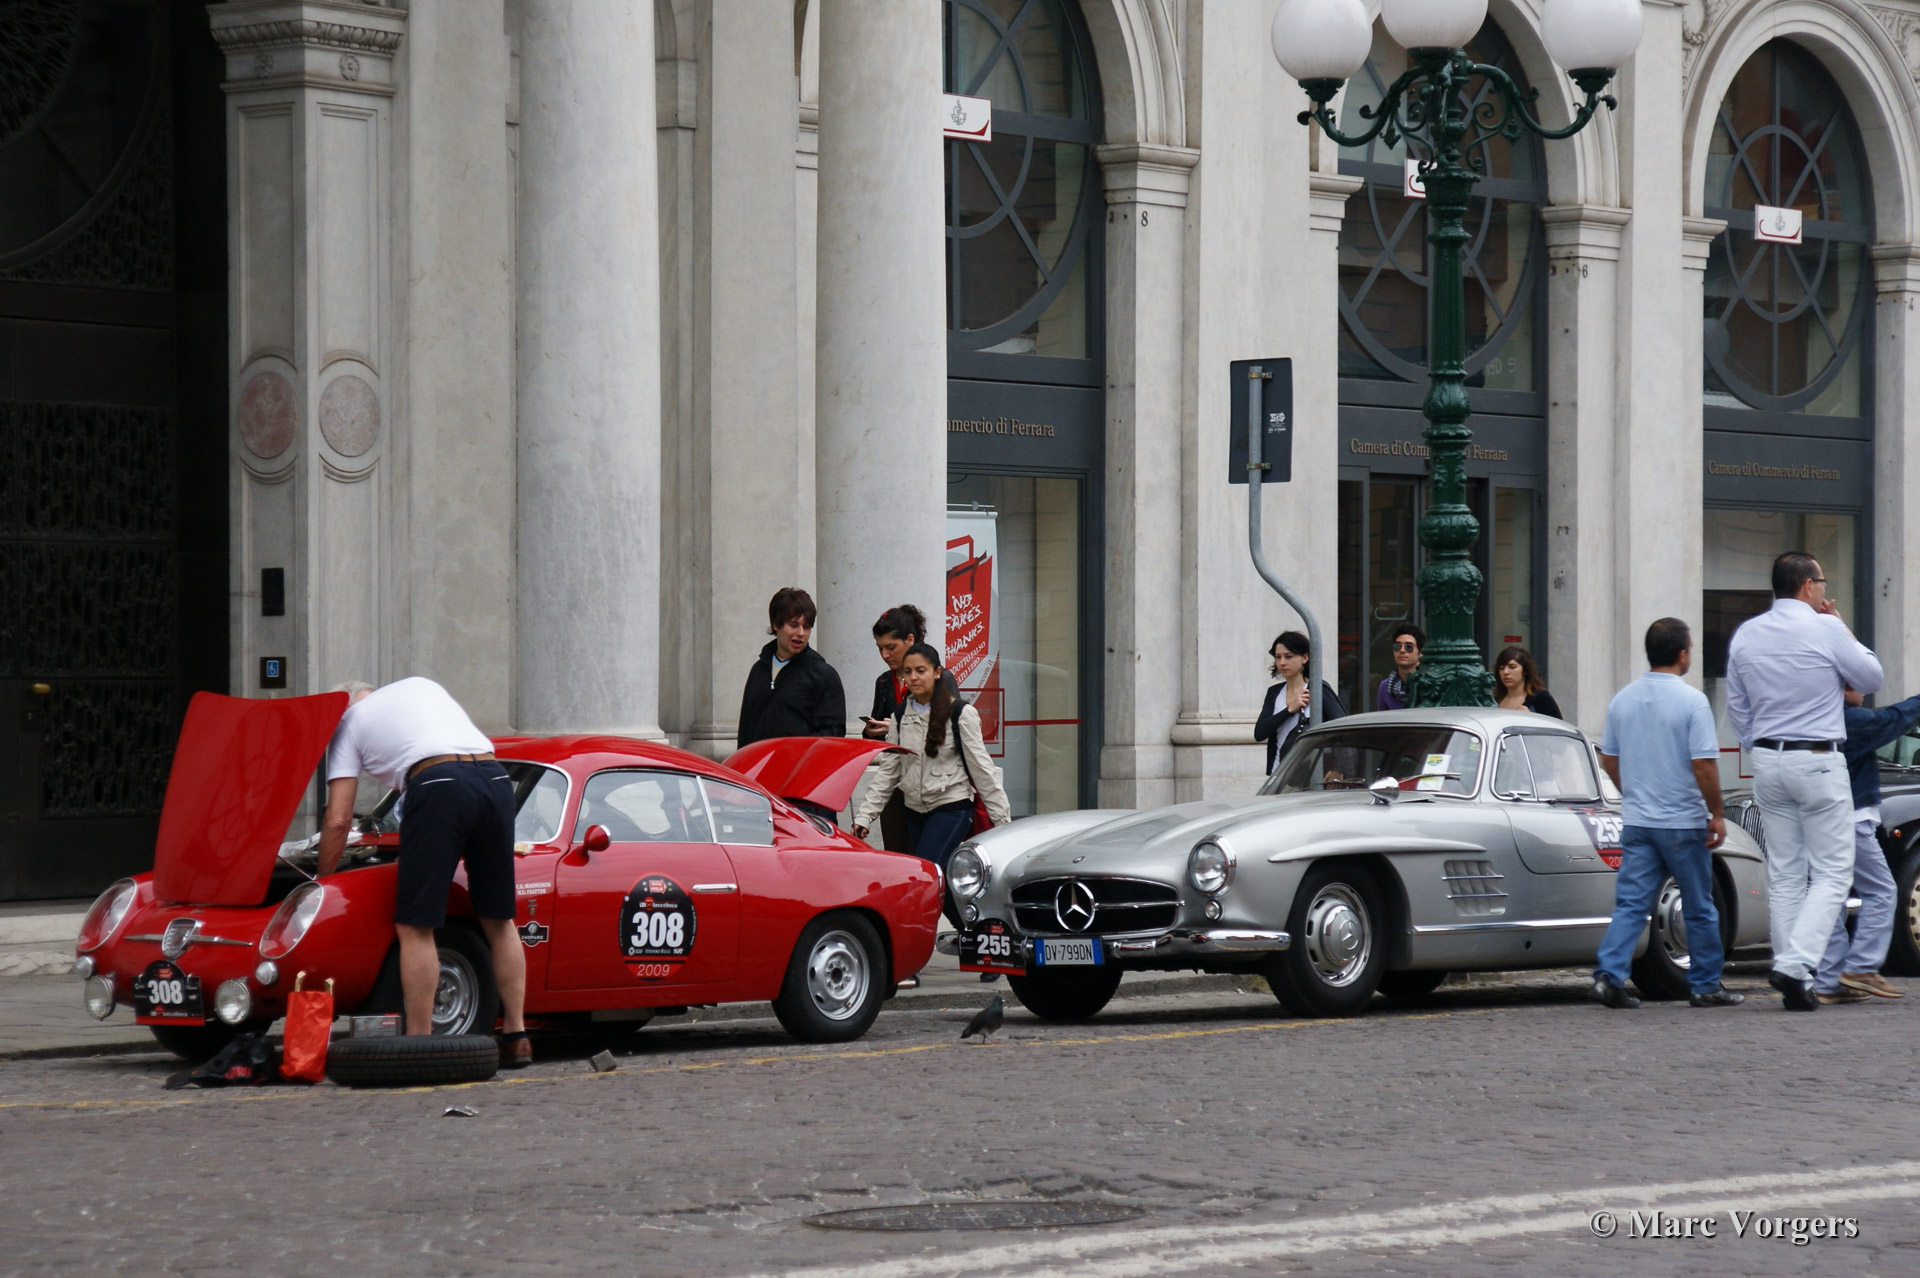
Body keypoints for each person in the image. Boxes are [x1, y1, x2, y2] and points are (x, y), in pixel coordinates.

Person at [316, 677, 531, 1065]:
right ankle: (517, 1036)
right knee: (499, 920)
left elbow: (338, 820)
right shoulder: (419, 685)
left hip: (439, 783)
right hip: (495, 777)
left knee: (415, 926)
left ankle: (420, 1043)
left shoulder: (347, 724)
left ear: (342, 706)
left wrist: (324, 881)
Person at [1726, 551, 1883, 1011]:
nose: (1824, 591)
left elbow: (1737, 705)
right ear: (1808, 586)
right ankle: (1796, 965)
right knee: (1833, 871)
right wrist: (1841, 625)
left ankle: (1790, 968)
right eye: (1822, 582)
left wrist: (1758, 747)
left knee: (1786, 874)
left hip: (1768, 760)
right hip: (1817, 757)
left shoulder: (1747, 633)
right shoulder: (1824, 628)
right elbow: (1871, 677)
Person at [1589, 619, 1742, 1010]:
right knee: (1699, 905)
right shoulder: (1692, 701)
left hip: (1639, 819)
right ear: (1682, 654)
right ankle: (1705, 984)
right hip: (1682, 820)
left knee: (1631, 904)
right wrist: (1717, 812)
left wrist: (1633, 791)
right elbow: (1703, 765)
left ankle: (1609, 976)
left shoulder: (1623, 700)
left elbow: (1609, 759)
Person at [852, 643, 1011, 924]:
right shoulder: (900, 716)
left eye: (921, 670)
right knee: (942, 882)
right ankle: (976, 934)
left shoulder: (960, 713)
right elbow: (888, 771)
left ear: (937, 673)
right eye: (907, 672)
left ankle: (911, 943)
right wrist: (865, 815)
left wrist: (1004, 825)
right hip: (915, 811)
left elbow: (983, 771)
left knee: (923, 875)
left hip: (952, 808)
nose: (913, 677)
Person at [1813, 685, 1920, 1003]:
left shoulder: (1815, 718)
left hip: (1820, 818)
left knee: (1832, 897)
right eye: (1858, 685)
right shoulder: (1850, 720)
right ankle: (1861, 967)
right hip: (1852, 818)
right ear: (1845, 688)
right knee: (1882, 891)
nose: (1864, 692)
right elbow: (1893, 719)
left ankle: (1828, 980)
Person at [736, 587, 847, 748]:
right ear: (776, 624)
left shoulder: (823, 675)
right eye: (794, 625)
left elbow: (833, 733)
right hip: (759, 763)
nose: (801, 633)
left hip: (801, 764)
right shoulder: (758, 670)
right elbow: (745, 730)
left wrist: (795, 752)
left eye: (807, 627)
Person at [861, 605, 927, 855]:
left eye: (891, 647)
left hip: (928, 782)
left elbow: (947, 730)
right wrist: (872, 730)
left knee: (925, 854)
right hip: (894, 779)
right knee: (896, 852)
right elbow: (871, 732)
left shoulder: (936, 677)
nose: (885, 655)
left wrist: (899, 727)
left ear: (910, 640)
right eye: (880, 648)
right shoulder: (884, 681)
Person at [1255, 631, 1347, 776]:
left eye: (1289, 656)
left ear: (1305, 658)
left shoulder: (1318, 690)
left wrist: (1338, 769)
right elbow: (1259, 733)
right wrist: (1289, 710)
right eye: (1278, 657)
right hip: (1278, 774)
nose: (1282, 662)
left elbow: (1342, 729)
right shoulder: (1274, 692)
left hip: (1312, 775)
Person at [1492, 646, 1562, 718]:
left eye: (1512, 667)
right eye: (1502, 668)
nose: (1505, 672)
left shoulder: (1541, 699)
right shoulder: (1494, 701)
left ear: (1525, 671)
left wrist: (1531, 717)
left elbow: (1557, 724)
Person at [1377, 624, 1423, 711]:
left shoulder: (1428, 685)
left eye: (1409, 647)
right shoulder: (1385, 687)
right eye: (1397, 646)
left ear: (1420, 653)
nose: (1402, 650)